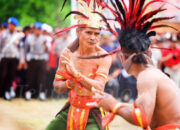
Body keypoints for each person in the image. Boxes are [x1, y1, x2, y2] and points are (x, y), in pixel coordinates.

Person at [85, 0, 180, 130]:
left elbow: (143, 118)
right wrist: (113, 106)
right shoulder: (150, 74)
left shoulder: (146, 77)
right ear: (149, 53)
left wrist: (114, 104)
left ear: (123, 57)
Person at [46, 0, 112, 130]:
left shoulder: (104, 56)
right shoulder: (68, 53)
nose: (93, 37)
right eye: (88, 32)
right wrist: (69, 84)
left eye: (96, 34)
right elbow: (56, 86)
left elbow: (98, 87)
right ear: (78, 32)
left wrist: (76, 75)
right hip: (71, 107)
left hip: (94, 111)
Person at [24, 22, 51, 101]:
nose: (37, 31)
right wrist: (24, 60)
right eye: (36, 29)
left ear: (41, 30)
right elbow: (25, 50)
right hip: (32, 59)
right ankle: (28, 92)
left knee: (42, 77)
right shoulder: (29, 37)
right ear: (34, 30)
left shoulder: (45, 38)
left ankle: (41, 93)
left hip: (42, 59)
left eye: (39, 30)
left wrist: (45, 45)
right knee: (30, 77)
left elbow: (48, 50)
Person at [0, 17, 24, 100]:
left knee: (11, 75)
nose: (11, 26)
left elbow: (21, 49)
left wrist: (21, 61)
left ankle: (6, 91)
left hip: (14, 59)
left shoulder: (18, 36)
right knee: (2, 75)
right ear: (8, 25)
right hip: (4, 58)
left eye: (13, 25)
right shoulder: (3, 34)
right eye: (10, 25)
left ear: (15, 26)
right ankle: (2, 91)